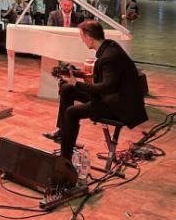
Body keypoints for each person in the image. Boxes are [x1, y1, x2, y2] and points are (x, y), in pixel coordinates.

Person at [45, 21, 148, 160]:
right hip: (112, 96)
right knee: (66, 88)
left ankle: (65, 159)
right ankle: (65, 133)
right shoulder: (109, 46)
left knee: (71, 112)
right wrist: (75, 82)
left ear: (89, 38)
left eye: (82, 37)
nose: (82, 40)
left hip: (119, 106)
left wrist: (78, 85)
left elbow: (107, 87)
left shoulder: (109, 57)